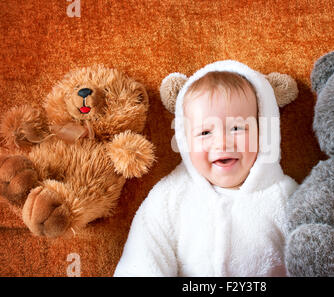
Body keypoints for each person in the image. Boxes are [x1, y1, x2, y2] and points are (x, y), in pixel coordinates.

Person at [114, 60, 298, 276]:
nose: (222, 143)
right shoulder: (169, 198)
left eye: (237, 128)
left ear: (264, 131)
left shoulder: (287, 197)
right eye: (205, 133)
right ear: (185, 140)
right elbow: (142, 261)